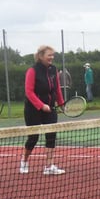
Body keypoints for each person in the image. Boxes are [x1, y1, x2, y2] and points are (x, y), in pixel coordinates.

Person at [21, 45, 66, 175]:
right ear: (41, 56)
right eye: (49, 55)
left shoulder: (54, 70)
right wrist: (41, 105)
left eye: (53, 55)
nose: (51, 57)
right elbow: (29, 92)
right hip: (32, 109)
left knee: (51, 136)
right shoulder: (32, 71)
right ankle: (24, 161)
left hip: (50, 107)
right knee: (33, 137)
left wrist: (61, 103)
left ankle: (49, 166)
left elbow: (57, 89)